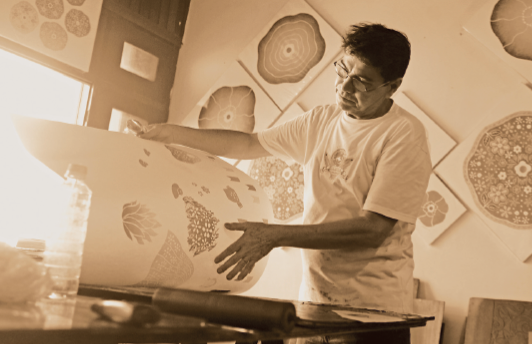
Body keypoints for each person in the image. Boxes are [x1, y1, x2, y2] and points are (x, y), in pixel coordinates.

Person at [138, 23, 432, 344]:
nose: (345, 87)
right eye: (343, 70)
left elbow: (373, 229)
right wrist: (172, 134)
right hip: (315, 304)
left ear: (392, 87)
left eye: (362, 81)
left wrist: (275, 235)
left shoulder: (404, 134)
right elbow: (249, 144)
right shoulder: (322, 120)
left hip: (373, 315)